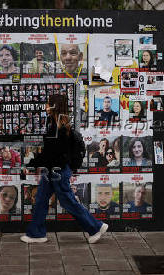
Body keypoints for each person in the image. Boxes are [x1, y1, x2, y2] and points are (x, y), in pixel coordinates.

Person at [20, 94, 108, 244]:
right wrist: (35, 161)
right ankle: (36, 233)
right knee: (41, 198)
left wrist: (31, 163)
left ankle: (95, 227)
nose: (46, 107)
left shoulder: (58, 129)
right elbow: (51, 154)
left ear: (54, 106)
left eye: (48, 104)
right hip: (53, 170)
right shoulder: (58, 126)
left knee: (68, 201)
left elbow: (50, 155)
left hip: (57, 171)